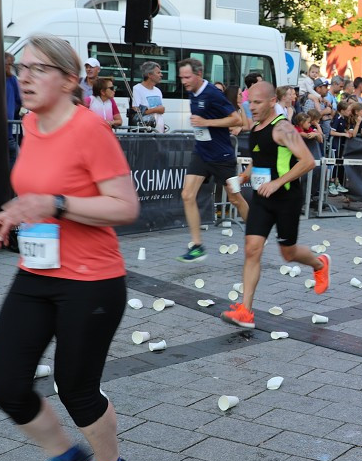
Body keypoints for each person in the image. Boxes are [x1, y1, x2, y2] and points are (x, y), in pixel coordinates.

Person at [0, 33, 139, 461]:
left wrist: (54, 203)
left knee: (76, 387)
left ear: (71, 80)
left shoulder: (90, 129)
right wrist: (14, 209)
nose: (24, 77)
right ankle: (63, 456)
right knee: (5, 382)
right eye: (20, 68)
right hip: (36, 272)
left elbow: (125, 207)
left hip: (91, 280)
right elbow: (40, 188)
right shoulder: (31, 125)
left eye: (38, 69)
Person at [222, 82, 331, 329]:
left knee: (288, 253)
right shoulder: (257, 127)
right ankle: (245, 311)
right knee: (252, 249)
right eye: (250, 102)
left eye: (258, 103)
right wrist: (243, 177)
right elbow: (261, 159)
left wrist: (277, 183)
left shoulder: (283, 128)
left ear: (272, 101)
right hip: (262, 198)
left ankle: (320, 263)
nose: (252, 107)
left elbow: (307, 162)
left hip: (286, 198)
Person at [177, 58, 245, 262]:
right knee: (187, 195)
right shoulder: (192, 92)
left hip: (221, 156)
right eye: (181, 78)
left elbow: (236, 119)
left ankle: (256, 233)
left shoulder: (213, 94)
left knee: (234, 198)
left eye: (187, 77)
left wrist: (206, 122)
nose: (184, 81)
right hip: (201, 152)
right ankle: (197, 246)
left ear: (199, 74)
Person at [132, 61, 166, 131]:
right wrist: (156, 110)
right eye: (158, 73)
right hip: (145, 130)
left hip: (158, 130)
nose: (161, 75)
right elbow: (136, 110)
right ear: (149, 75)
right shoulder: (137, 88)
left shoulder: (158, 91)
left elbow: (161, 110)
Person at [5, 52, 23, 168]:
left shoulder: (12, 79)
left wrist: (14, 112)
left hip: (10, 131)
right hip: (4, 132)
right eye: (9, 65)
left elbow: (19, 100)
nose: (11, 68)